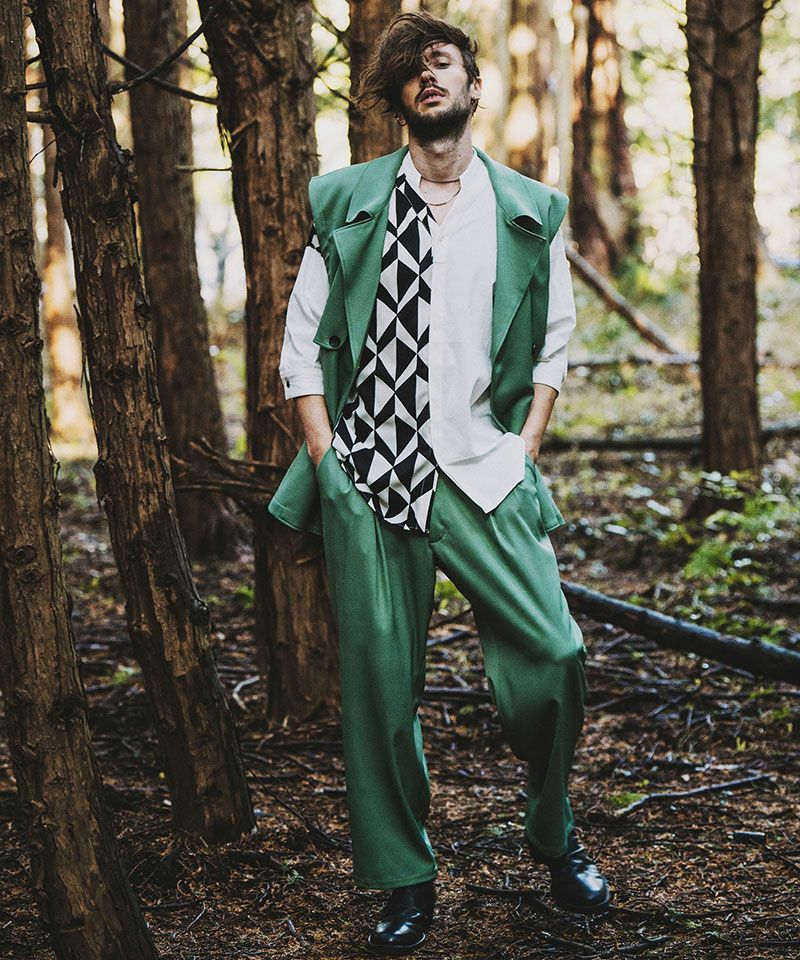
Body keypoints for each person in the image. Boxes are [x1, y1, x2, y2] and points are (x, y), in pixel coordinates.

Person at [269, 11, 612, 954]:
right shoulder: (347, 200)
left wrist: (525, 445)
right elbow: (302, 345)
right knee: (380, 688)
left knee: (555, 654)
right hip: (368, 471)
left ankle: (555, 834)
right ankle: (406, 878)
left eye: (444, 62)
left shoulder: (529, 209)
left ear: (472, 85)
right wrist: (327, 463)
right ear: (397, 97)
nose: (430, 77)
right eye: (413, 69)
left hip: (480, 466)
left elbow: (552, 345)